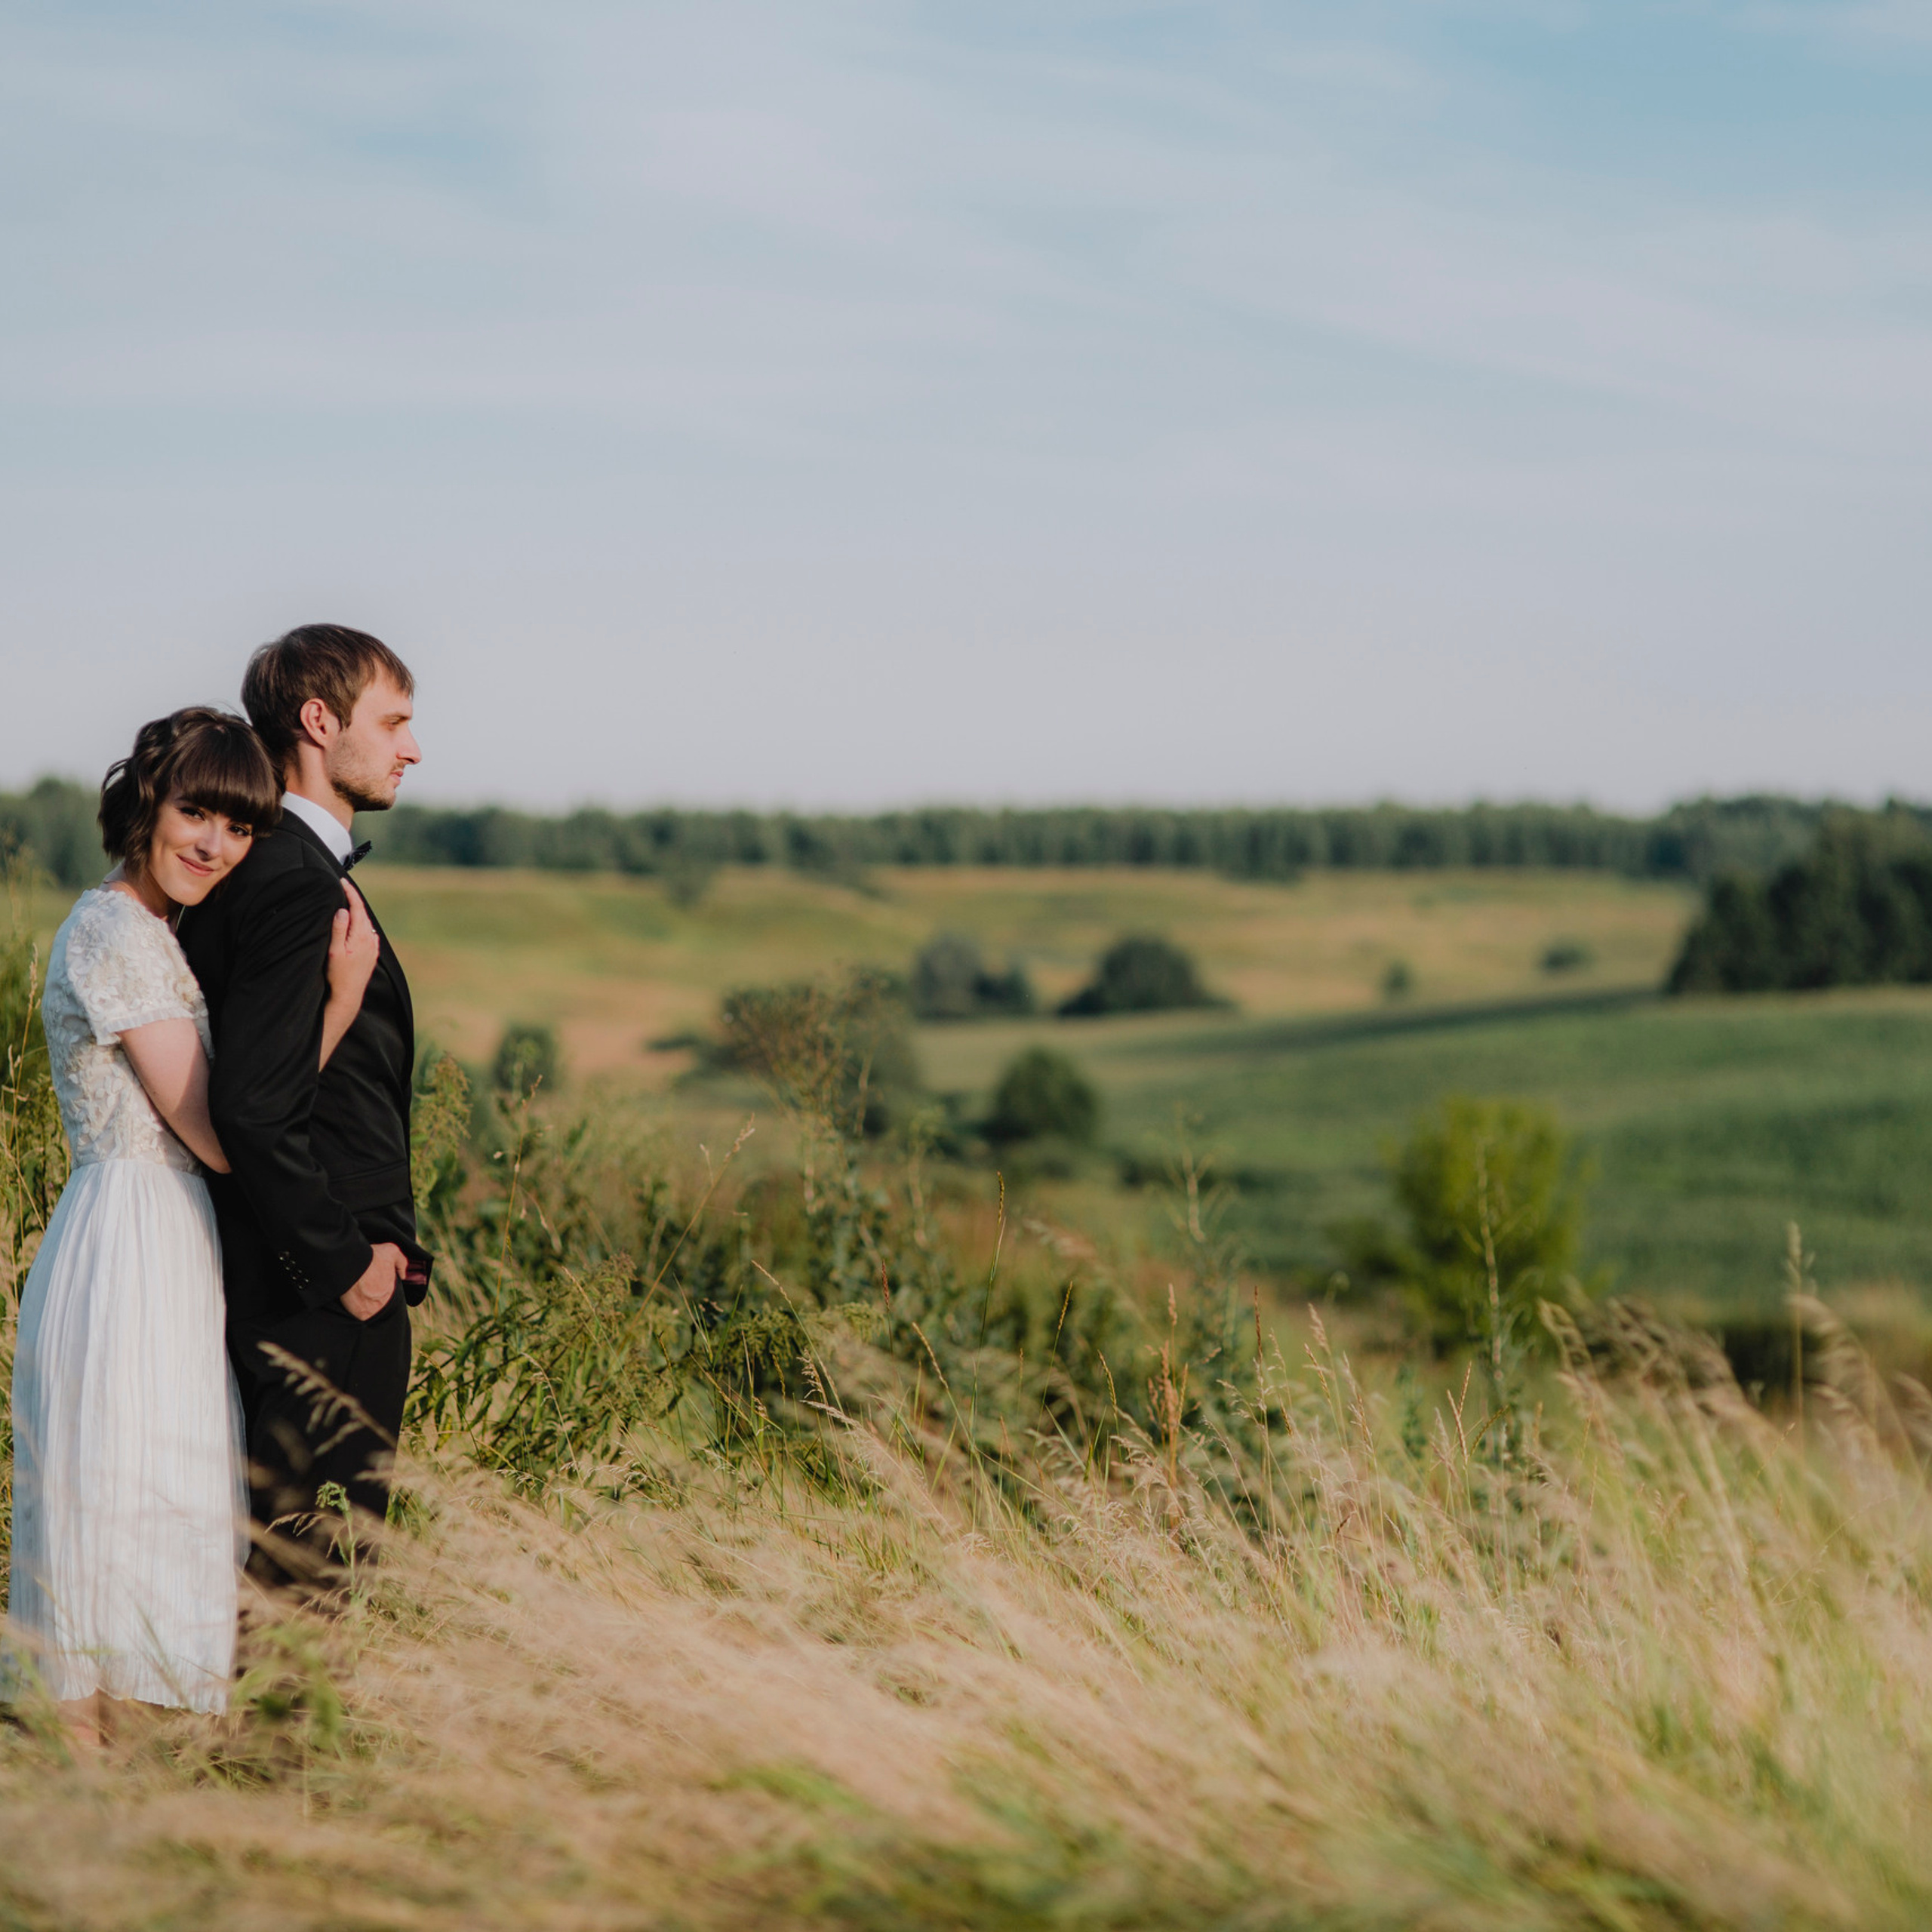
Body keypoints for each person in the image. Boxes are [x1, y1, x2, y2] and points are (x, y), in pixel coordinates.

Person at [7, 708, 377, 1748]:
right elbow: (218, 1133)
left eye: (239, 827)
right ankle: (82, 1788)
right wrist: (338, 1005)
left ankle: (126, 1790)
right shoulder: (114, 933)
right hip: (128, 1243)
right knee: (106, 1514)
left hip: (170, 1247)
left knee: (150, 1513)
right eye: (196, 814)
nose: (214, 844)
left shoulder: (158, 931)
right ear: (147, 804)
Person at [180, 625, 429, 1583]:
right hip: (319, 1296)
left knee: (291, 1576)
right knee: (307, 1584)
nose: (413, 748)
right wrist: (344, 1266)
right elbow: (252, 1106)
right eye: (394, 723)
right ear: (320, 722)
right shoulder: (290, 881)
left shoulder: (280, 869)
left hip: (306, 1286)